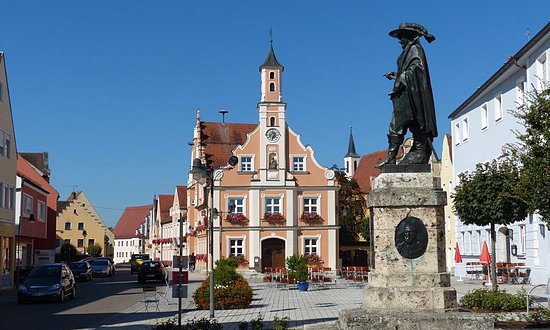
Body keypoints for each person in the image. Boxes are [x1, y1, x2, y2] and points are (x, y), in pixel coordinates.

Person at [377, 23, 437, 168]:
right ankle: (392, 157)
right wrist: (397, 76)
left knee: (406, 124)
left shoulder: (416, 49)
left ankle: (418, 151)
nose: (399, 40)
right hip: (406, 93)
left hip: (413, 94)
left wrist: (401, 77)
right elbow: (411, 70)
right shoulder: (407, 51)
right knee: (398, 124)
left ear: (409, 36)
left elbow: (417, 69)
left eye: (401, 36)